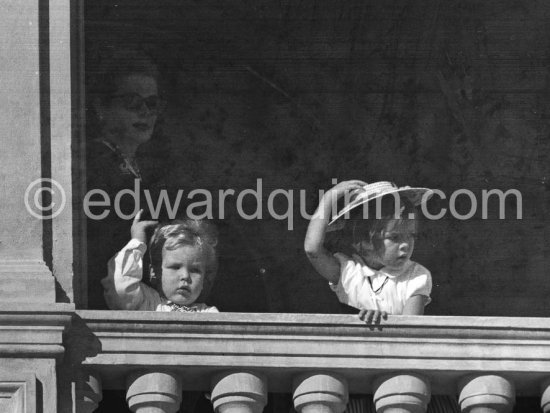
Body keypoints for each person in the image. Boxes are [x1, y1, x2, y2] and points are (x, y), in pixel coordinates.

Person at [305, 180, 460, 413]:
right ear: (365, 242)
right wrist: (331, 196)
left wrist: (386, 320)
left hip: (396, 377)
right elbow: (312, 249)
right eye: (395, 237)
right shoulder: (347, 271)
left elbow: (411, 330)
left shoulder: (415, 276)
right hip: (353, 374)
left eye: (412, 236)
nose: (405, 246)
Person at [86, 49, 169, 309]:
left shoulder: (143, 169)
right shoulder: (95, 167)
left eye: (152, 103)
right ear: (102, 107)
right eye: (132, 102)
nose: (145, 112)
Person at [102, 210, 218, 312]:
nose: (185, 276)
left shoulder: (208, 313)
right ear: (154, 272)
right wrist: (137, 242)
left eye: (195, 270)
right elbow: (120, 288)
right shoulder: (148, 303)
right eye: (175, 267)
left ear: (204, 279)